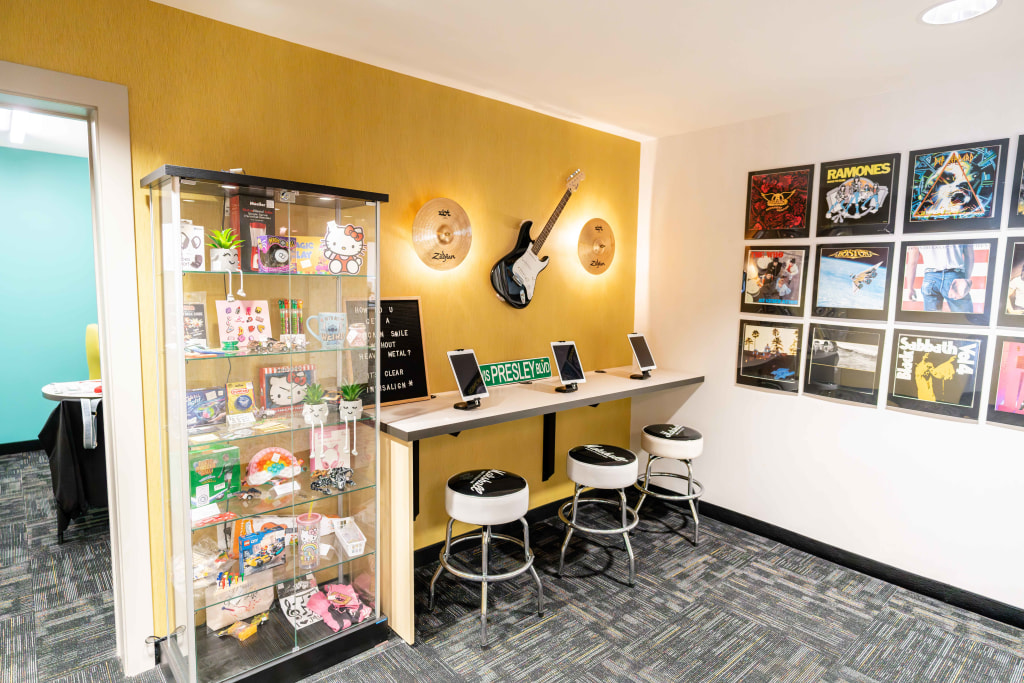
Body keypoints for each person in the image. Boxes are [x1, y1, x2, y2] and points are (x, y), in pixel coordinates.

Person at [904, 244, 974, 313]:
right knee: (963, 319)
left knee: (931, 320)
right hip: (955, 276)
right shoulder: (960, 232)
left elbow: (912, 263)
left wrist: (910, 288)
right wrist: (966, 281)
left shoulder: (917, 234)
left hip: (930, 279)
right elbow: (969, 256)